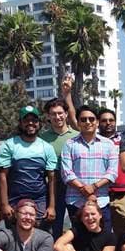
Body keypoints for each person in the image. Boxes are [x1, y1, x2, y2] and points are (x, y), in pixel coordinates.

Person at [59, 105, 119, 228]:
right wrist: (85, 191)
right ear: (78, 123)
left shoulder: (108, 144)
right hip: (76, 202)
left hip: (100, 202)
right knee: (78, 238)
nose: (88, 122)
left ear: (97, 122)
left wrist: (94, 187)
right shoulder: (69, 144)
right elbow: (66, 173)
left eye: (91, 119)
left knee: (104, 237)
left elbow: (112, 172)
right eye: (83, 119)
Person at [0, 105, 57, 226]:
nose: (30, 123)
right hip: (14, 199)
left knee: (39, 233)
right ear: (20, 123)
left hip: (39, 200)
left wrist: (51, 206)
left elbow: (52, 179)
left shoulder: (47, 148)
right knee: (14, 234)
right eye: (26, 120)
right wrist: (4, 204)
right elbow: (2, 176)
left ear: (39, 123)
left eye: (34, 120)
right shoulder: (9, 145)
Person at [39, 98, 78, 240]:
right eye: (53, 114)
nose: (57, 117)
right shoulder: (42, 138)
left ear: (66, 114)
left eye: (60, 113)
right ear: (48, 116)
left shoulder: (76, 136)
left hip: (74, 184)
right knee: (54, 225)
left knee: (78, 223)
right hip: (53, 184)